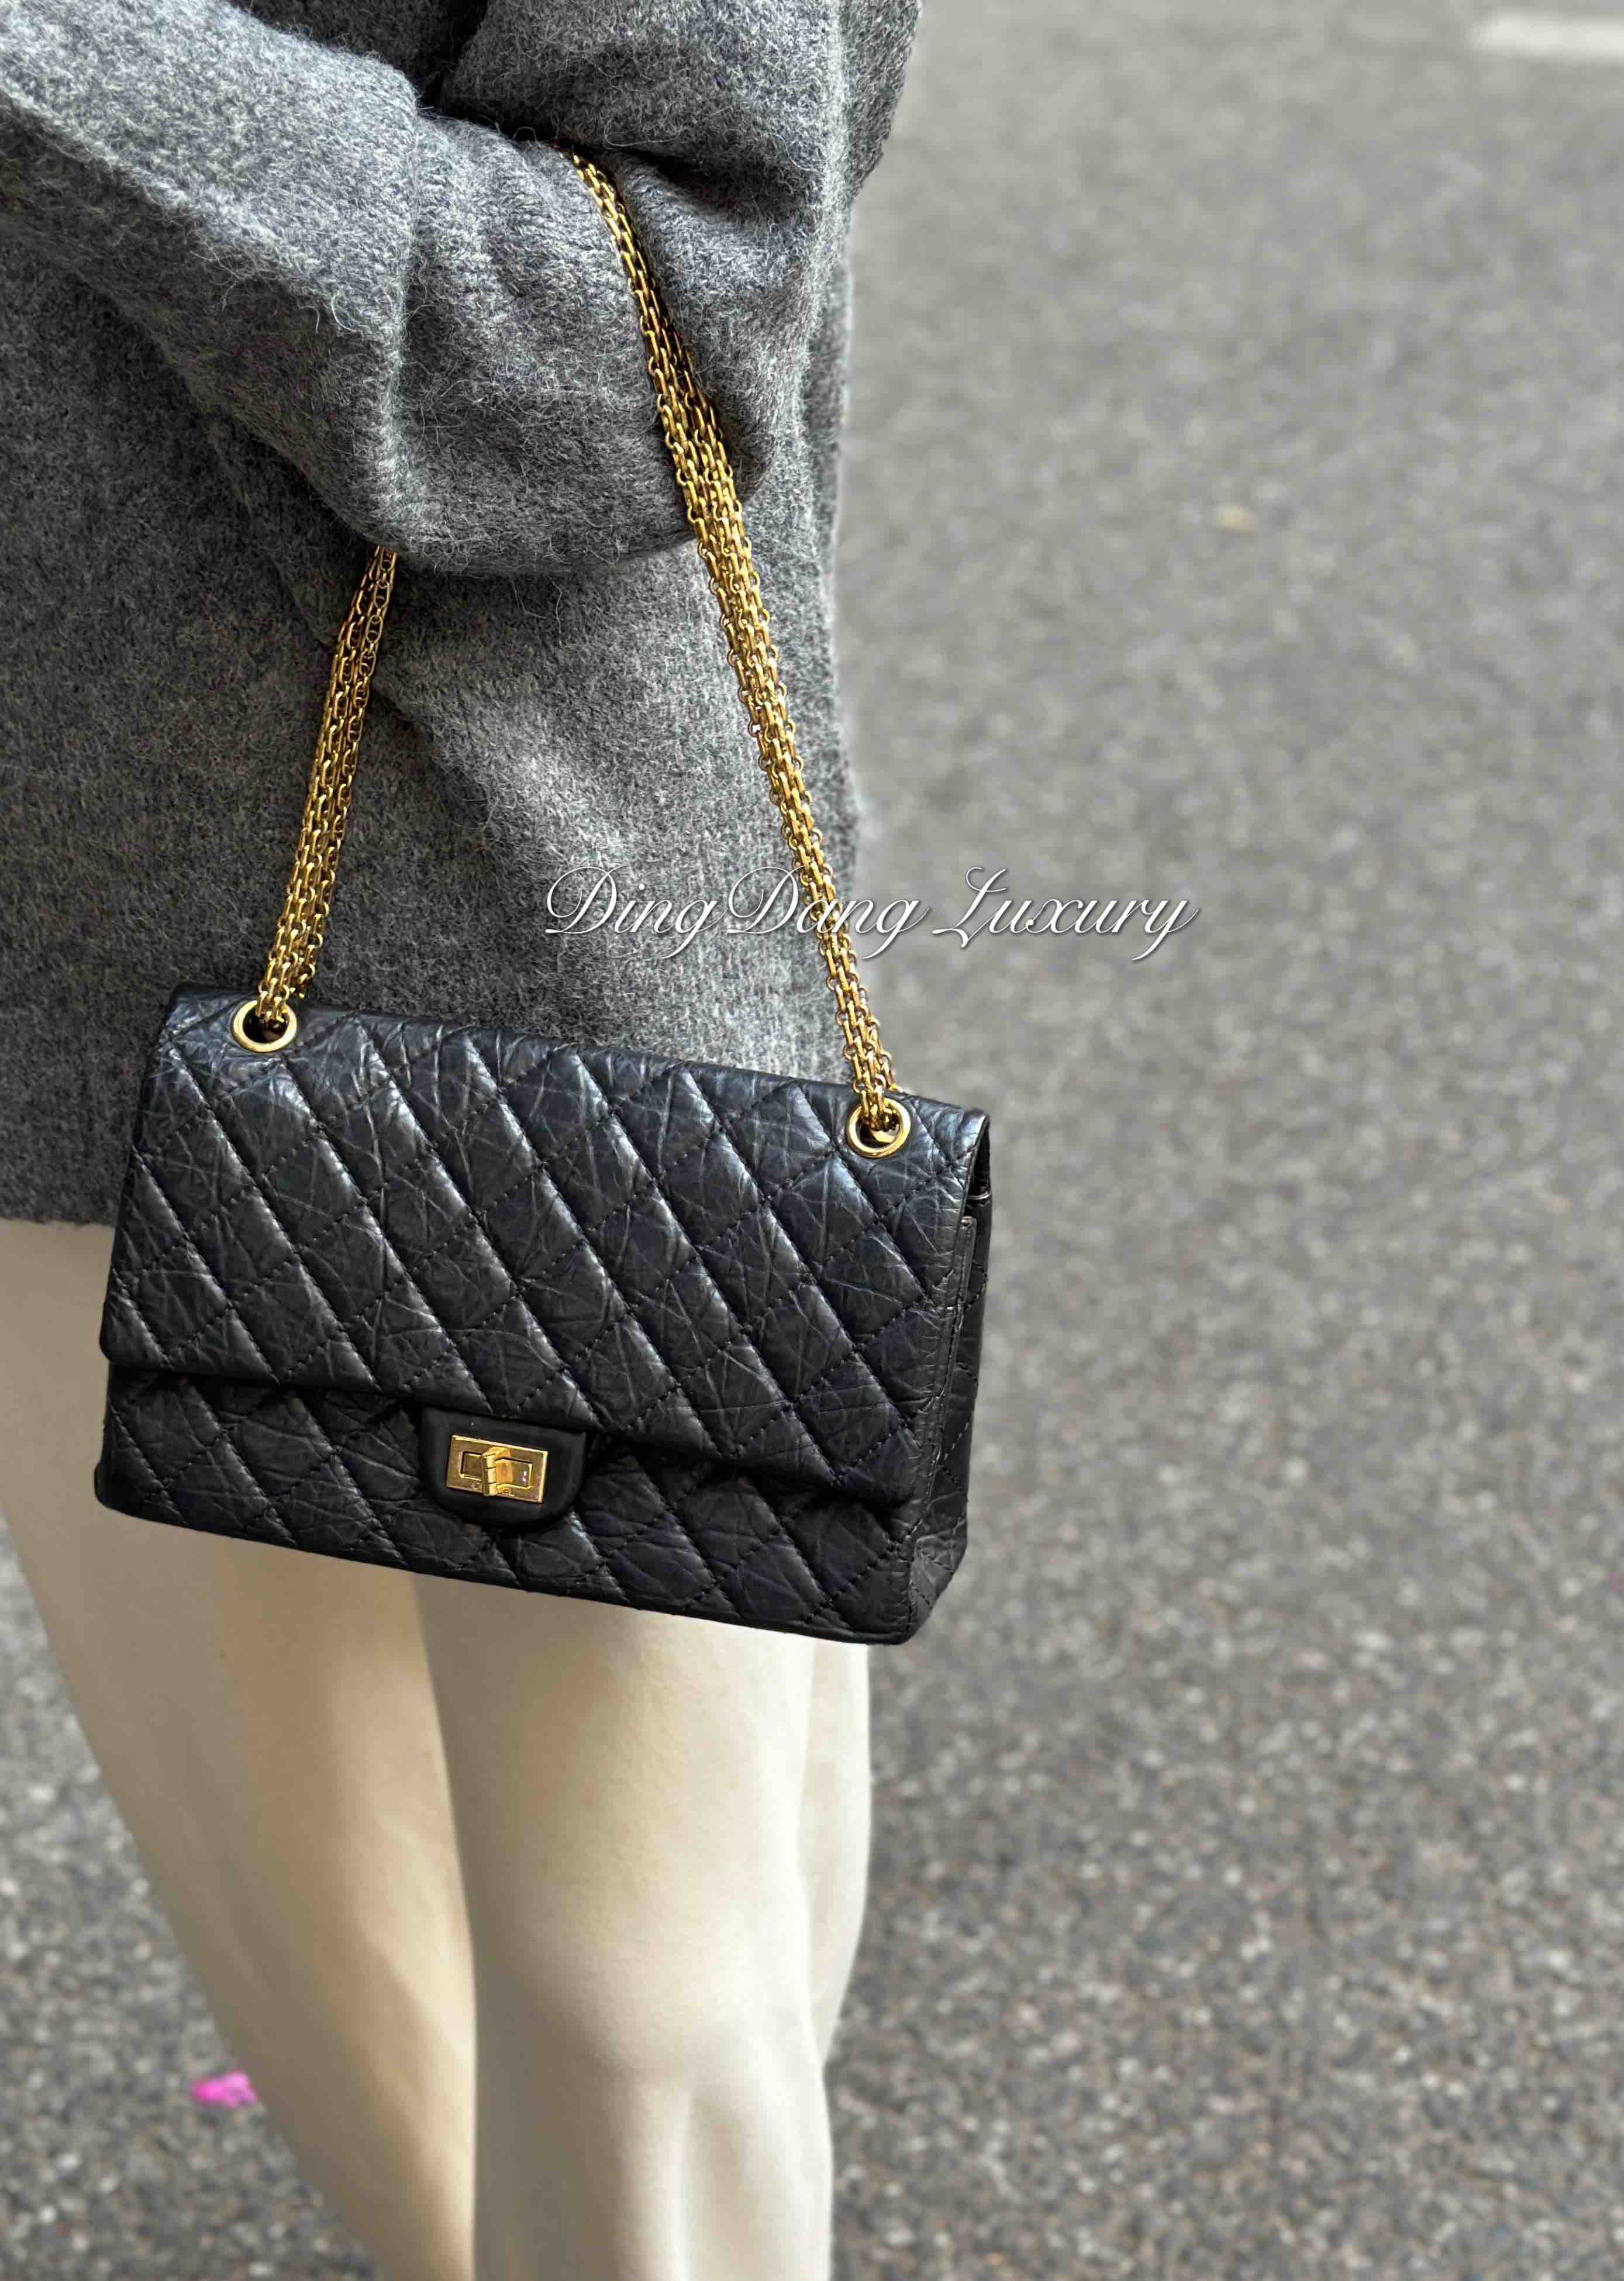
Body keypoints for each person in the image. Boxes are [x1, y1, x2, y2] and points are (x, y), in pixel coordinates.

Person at [0, 1, 921, 2273]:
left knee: (635, 2029)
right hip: (40, 1007)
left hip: (519, 983)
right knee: (337, 1988)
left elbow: (653, 330)